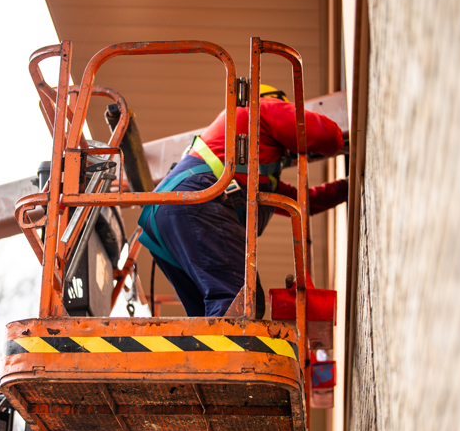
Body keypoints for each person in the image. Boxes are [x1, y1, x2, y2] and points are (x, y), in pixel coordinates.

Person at [138, 85, 348, 317]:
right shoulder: (257, 110)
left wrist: (347, 187)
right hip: (197, 202)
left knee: (207, 319)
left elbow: (305, 203)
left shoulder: (248, 170)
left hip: (165, 215)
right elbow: (325, 135)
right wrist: (341, 142)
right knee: (240, 304)